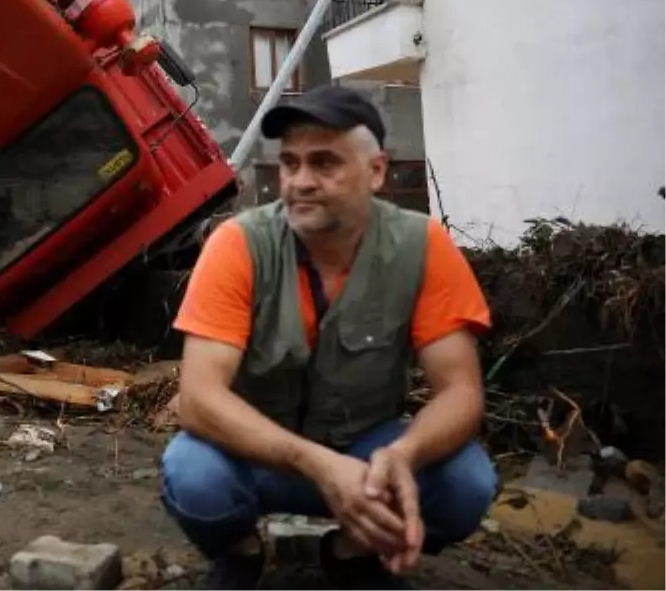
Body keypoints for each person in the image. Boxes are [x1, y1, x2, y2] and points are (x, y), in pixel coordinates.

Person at [158, 85, 498, 590]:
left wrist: (402, 456)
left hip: (367, 453)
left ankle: (354, 552)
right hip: (260, 456)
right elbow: (199, 399)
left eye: (324, 163)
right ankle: (240, 551)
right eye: (290, 164)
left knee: (466, 484)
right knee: (192, 474)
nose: (300, 182)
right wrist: (316, 463)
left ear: (376, 171)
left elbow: (462, 393)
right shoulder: (238, 245)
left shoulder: (423, 247)